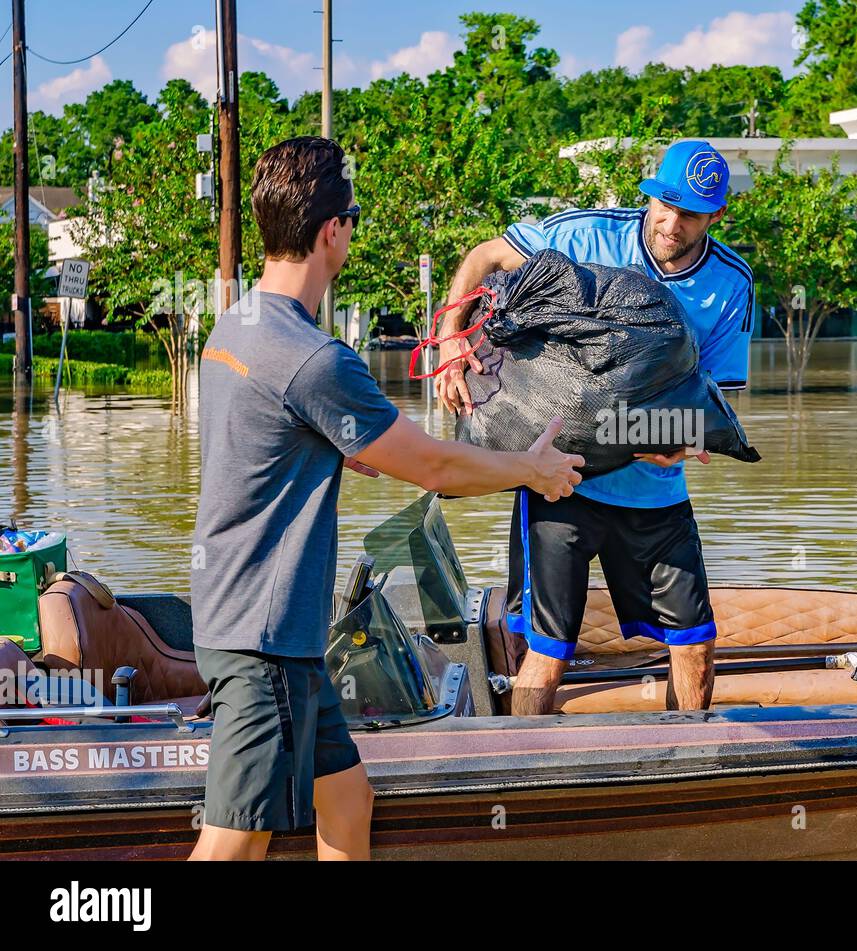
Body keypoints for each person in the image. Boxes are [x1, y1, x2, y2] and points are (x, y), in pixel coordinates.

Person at [188, 136, 583, 861]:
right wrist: (530, 468)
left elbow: (260, 433)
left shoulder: (237, 323)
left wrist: (335, 444)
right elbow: (435, 467)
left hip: (248, 618)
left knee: (346, 797)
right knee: (231, 847)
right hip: (264, 636)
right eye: (355, 217)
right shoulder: (315, 358)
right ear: (333, 230)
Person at [436, 140, 754, 717]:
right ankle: (519, 769)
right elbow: (485, 256)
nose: (672, 223)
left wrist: (681, 443)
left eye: (690, 214)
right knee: (551, 647)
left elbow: (714, 396)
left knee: (696, 641)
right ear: (650, 196)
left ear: (716, 217)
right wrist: (453, 338)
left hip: (657, 492)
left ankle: (687, 764)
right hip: (562, 481)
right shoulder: (588, 236)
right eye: (665, 205)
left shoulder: (731, 284)